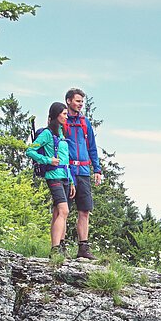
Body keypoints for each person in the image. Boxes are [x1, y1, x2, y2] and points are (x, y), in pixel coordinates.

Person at [26, 102, 76, 257]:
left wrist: (72, 181)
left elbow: (66, 159)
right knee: (64, 210)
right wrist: (48, 160)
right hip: (53, 176)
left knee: (58, 213)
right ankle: (55, 250)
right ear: (56, 115)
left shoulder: (62, 134)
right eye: (64, 114)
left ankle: (61, 246)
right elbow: (30, 151)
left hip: (65, 177)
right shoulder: (47, 134)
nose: (66, 116)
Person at [63, 87, 102, 260]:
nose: (80, 105)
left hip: (84, 172)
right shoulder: (61, 121)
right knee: (62, 211)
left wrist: (97, 169)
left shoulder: (85, 123)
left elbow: (92, 147)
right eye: (78, 101)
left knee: (84, 210)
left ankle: (83, 249)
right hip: (67, 171)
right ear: (69, 101)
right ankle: (60, 246)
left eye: (82, 102)